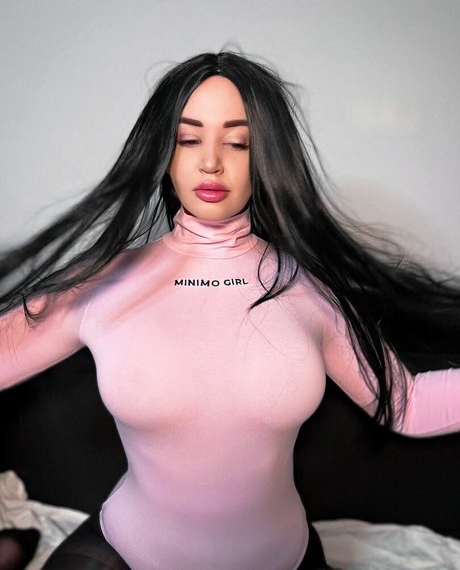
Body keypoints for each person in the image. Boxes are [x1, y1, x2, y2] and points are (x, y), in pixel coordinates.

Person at [0, 51, 459, 570]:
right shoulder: (100, 284)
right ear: (164, 155)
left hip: (281, 558)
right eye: (188, 139)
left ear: (265, 158)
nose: (211, 162)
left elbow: (407, 405)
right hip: (129, 553)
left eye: (238, 143)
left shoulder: (308, 290)